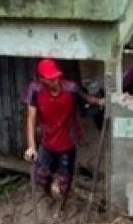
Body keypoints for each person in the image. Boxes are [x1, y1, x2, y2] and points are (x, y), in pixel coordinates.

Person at [23, 59, 104, 200]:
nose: (55, 81)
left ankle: (63, 202)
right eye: (51, 79)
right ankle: (48, 195)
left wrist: (101, 101)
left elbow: (86, 99)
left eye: (56, 78)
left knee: (64, 181)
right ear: (42, 79)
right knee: (41, 177)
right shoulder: (35, 90)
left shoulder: (70, 88)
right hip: (47, 139)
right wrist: (31, 146)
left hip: (67, 140)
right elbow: (31, 119)